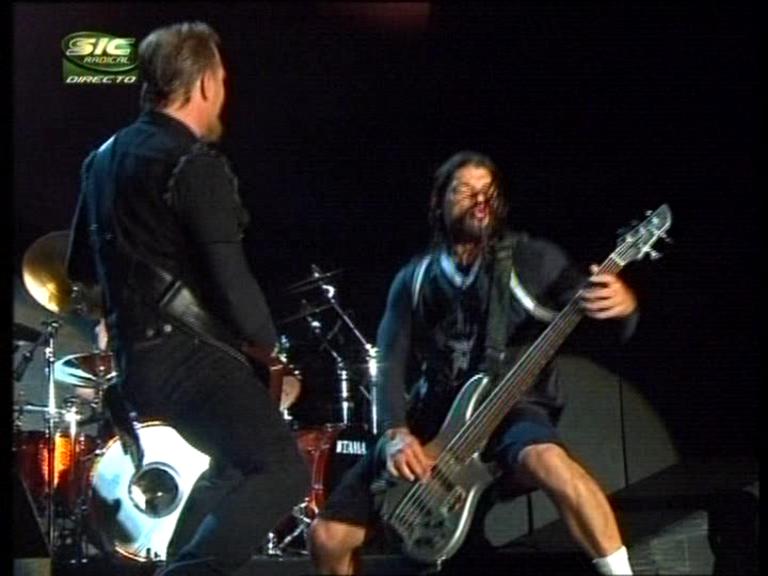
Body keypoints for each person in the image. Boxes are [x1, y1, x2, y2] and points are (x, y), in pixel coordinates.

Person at [308, 151, 638, 575]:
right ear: (439, 201)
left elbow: (600, 318)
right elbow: (389, 361)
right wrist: (394, 433)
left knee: (550, 464)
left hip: (512, 407)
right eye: (464, 190)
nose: (479, 200)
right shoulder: (415, 279)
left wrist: (623, 307)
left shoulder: (533, 259)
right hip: (434, 417)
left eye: (487, 191)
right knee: (327, 537)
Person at [67, 21, 310, 576]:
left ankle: (177, 565)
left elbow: (81, 270)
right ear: (203, 83)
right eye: (222, 79)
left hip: (136, 366)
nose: (224, 92)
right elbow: (231, 278)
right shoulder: (193, 163)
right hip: (190, 361)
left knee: (232, 465)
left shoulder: (100, 160)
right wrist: (273, 358)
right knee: (283, 470)